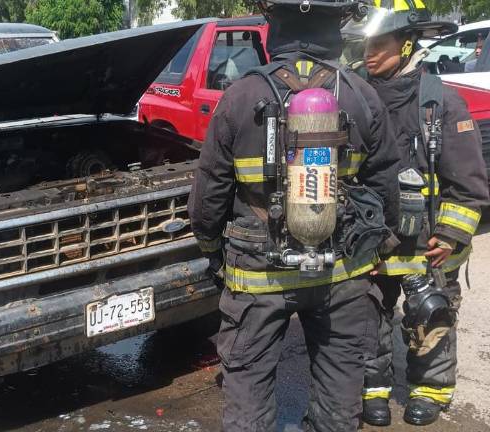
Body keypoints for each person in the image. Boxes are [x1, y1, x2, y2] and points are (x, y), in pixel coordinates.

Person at [188, 0, 401, 430]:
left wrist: (213, 250)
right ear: (336, 31)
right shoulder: (362, 95)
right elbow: (385, 190)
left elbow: (208, 196)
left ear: (273, 30)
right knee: (340, 395)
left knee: (248, 390)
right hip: (341, 271)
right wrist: (382, 247)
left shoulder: (241, 96)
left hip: (258, 274)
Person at [359, 1, 490, 427]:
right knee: (366, 317)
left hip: (428, 244)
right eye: (366, 43)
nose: (369, 52)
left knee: (430, 316)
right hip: (371, 242)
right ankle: (371, 390)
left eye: (380, 43)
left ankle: (430, 390)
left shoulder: (441, 105)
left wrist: (451, 236)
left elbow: (469, 184)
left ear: (408, 43)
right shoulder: (356, 98)